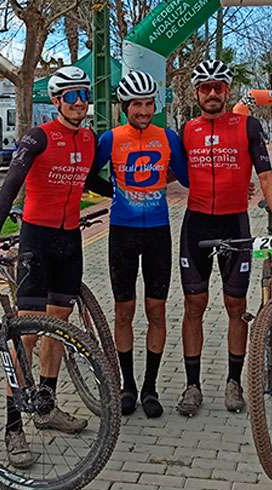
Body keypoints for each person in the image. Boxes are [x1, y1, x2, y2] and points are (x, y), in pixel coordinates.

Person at [0, 66, 112, 468]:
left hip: (71, 243)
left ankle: (47, 406)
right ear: (56, 101)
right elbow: (11, 183)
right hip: (36, 242)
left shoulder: (88, 139)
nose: (80, 102)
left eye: (84, 95)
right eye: (71, 97)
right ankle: (13, 426)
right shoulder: (38, 136)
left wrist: (126, 189)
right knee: (27, 336)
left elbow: (89, 180)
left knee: (59, 331)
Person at [177, 60, 272, 417]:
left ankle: (233, 382)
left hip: (235, 224)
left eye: (218, 87)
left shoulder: (247, 126)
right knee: (193, 305)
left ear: (227, 91)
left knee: (235, 306)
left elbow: (265, 173)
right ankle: (192, 385)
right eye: (205, 87)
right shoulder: (187, 129)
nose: (212, 93)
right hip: (196, 224)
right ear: (196, 92)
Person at [92, 71, 188, 418]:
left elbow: (190, 176)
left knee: (156, 311)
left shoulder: (168, 137)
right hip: (122, 233)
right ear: (125, 107)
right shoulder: (110, 138)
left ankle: (150, 387)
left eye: (148, 104)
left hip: (158, 233)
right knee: (124, 311)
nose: (144, 111)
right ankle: (127, 386)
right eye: (137, 105)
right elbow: (90, 174)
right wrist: (114, 192)